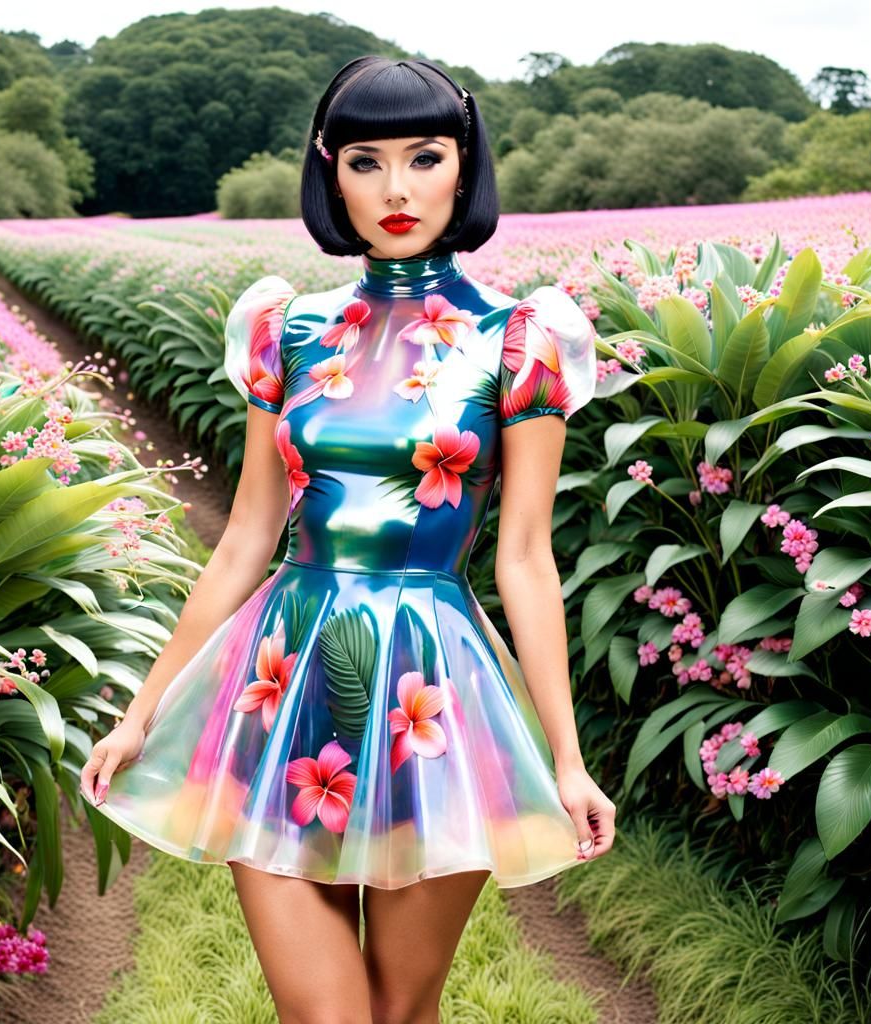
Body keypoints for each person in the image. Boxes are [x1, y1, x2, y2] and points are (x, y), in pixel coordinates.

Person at [81, 54, 616, 1024]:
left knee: (398, 1014)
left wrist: (567, 759)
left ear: (466, 166)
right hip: (285, 680)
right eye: (365, 161)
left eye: (425, 156)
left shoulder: (518, 338)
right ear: (329, 171)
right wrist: (142, 708)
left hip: (432, 686)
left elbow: (524, 558)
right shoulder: (286, 328)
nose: (397, 188)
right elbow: (248, 534)